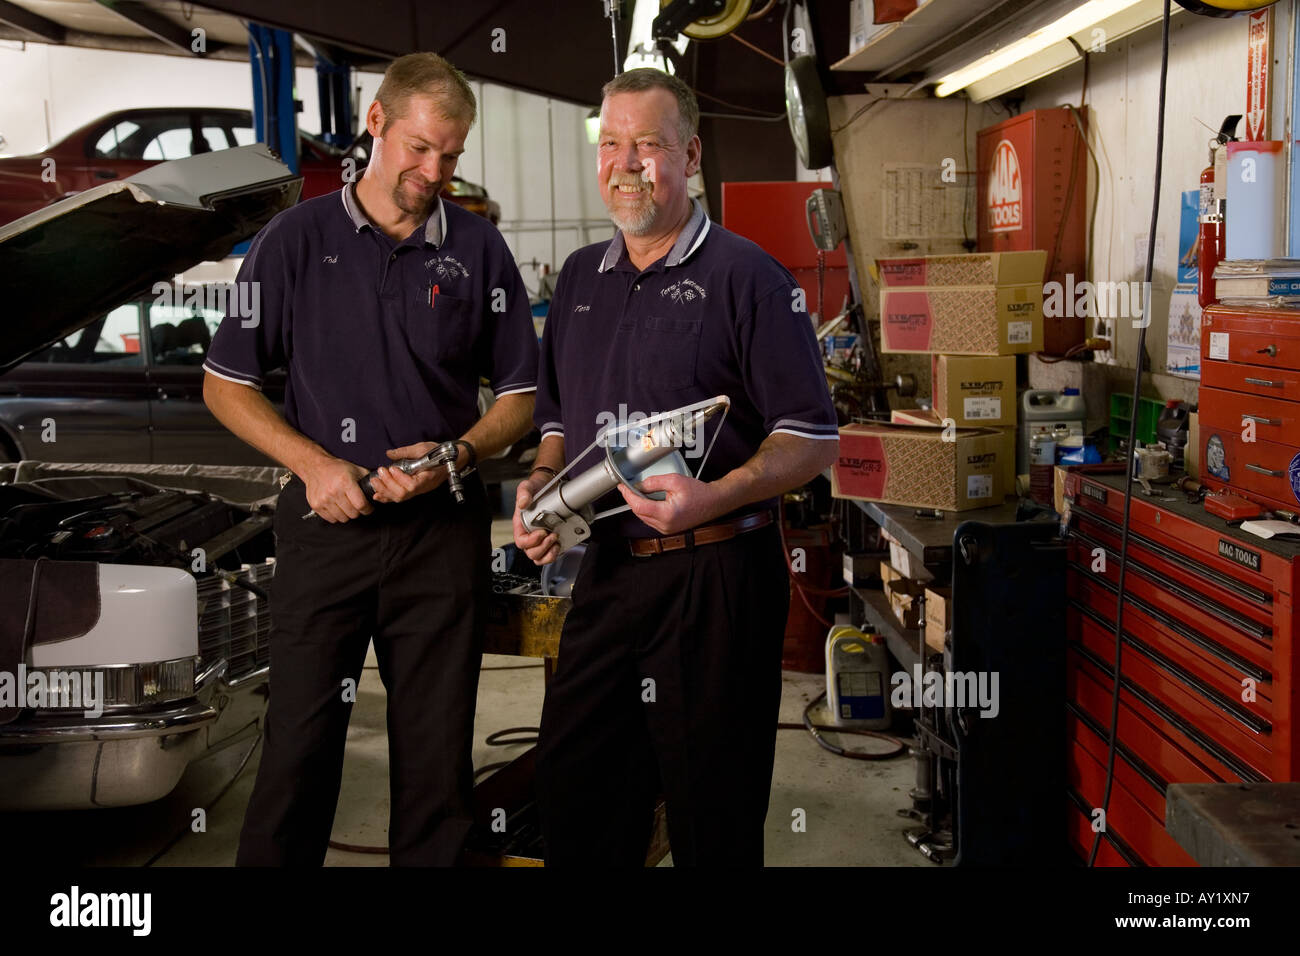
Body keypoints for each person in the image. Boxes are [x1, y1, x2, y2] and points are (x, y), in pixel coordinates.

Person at [203, 53, 539, 866]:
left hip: (441, 532)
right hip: (326, 528)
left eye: (452, 155)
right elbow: (225, 385)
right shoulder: (293, 241)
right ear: (377, 122)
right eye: (422, 148)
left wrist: (457, 452)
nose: (436, 171)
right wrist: (314, 466)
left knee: (436, 765)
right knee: (297, 756)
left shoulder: (480, 251)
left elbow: (522, 398)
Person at [513, 68, 839, 866]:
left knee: (712, 817)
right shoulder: (582, 278)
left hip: (717, 577)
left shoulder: (749, 278)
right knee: (579, 799)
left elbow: (811, 437)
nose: (626, 163)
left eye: (649, 145)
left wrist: (713, 496)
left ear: (689, 155)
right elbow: (559, 417)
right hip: (610, 572)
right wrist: (544, 485)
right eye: (612, 143)